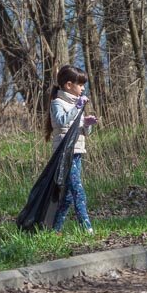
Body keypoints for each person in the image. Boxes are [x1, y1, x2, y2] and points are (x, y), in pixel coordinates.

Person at [45, 65, 98, 233]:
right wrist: (77, 109)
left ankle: (54, 230)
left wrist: (87, 124)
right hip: (64, 153)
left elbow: (80, 128)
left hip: (77, 152)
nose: (83, 88)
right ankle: (87, 228)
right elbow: (60, 122)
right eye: (80, 84)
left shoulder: (77, 103)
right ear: (69, 85)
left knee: (68, 196)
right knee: (78, 190)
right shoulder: (57, 103)